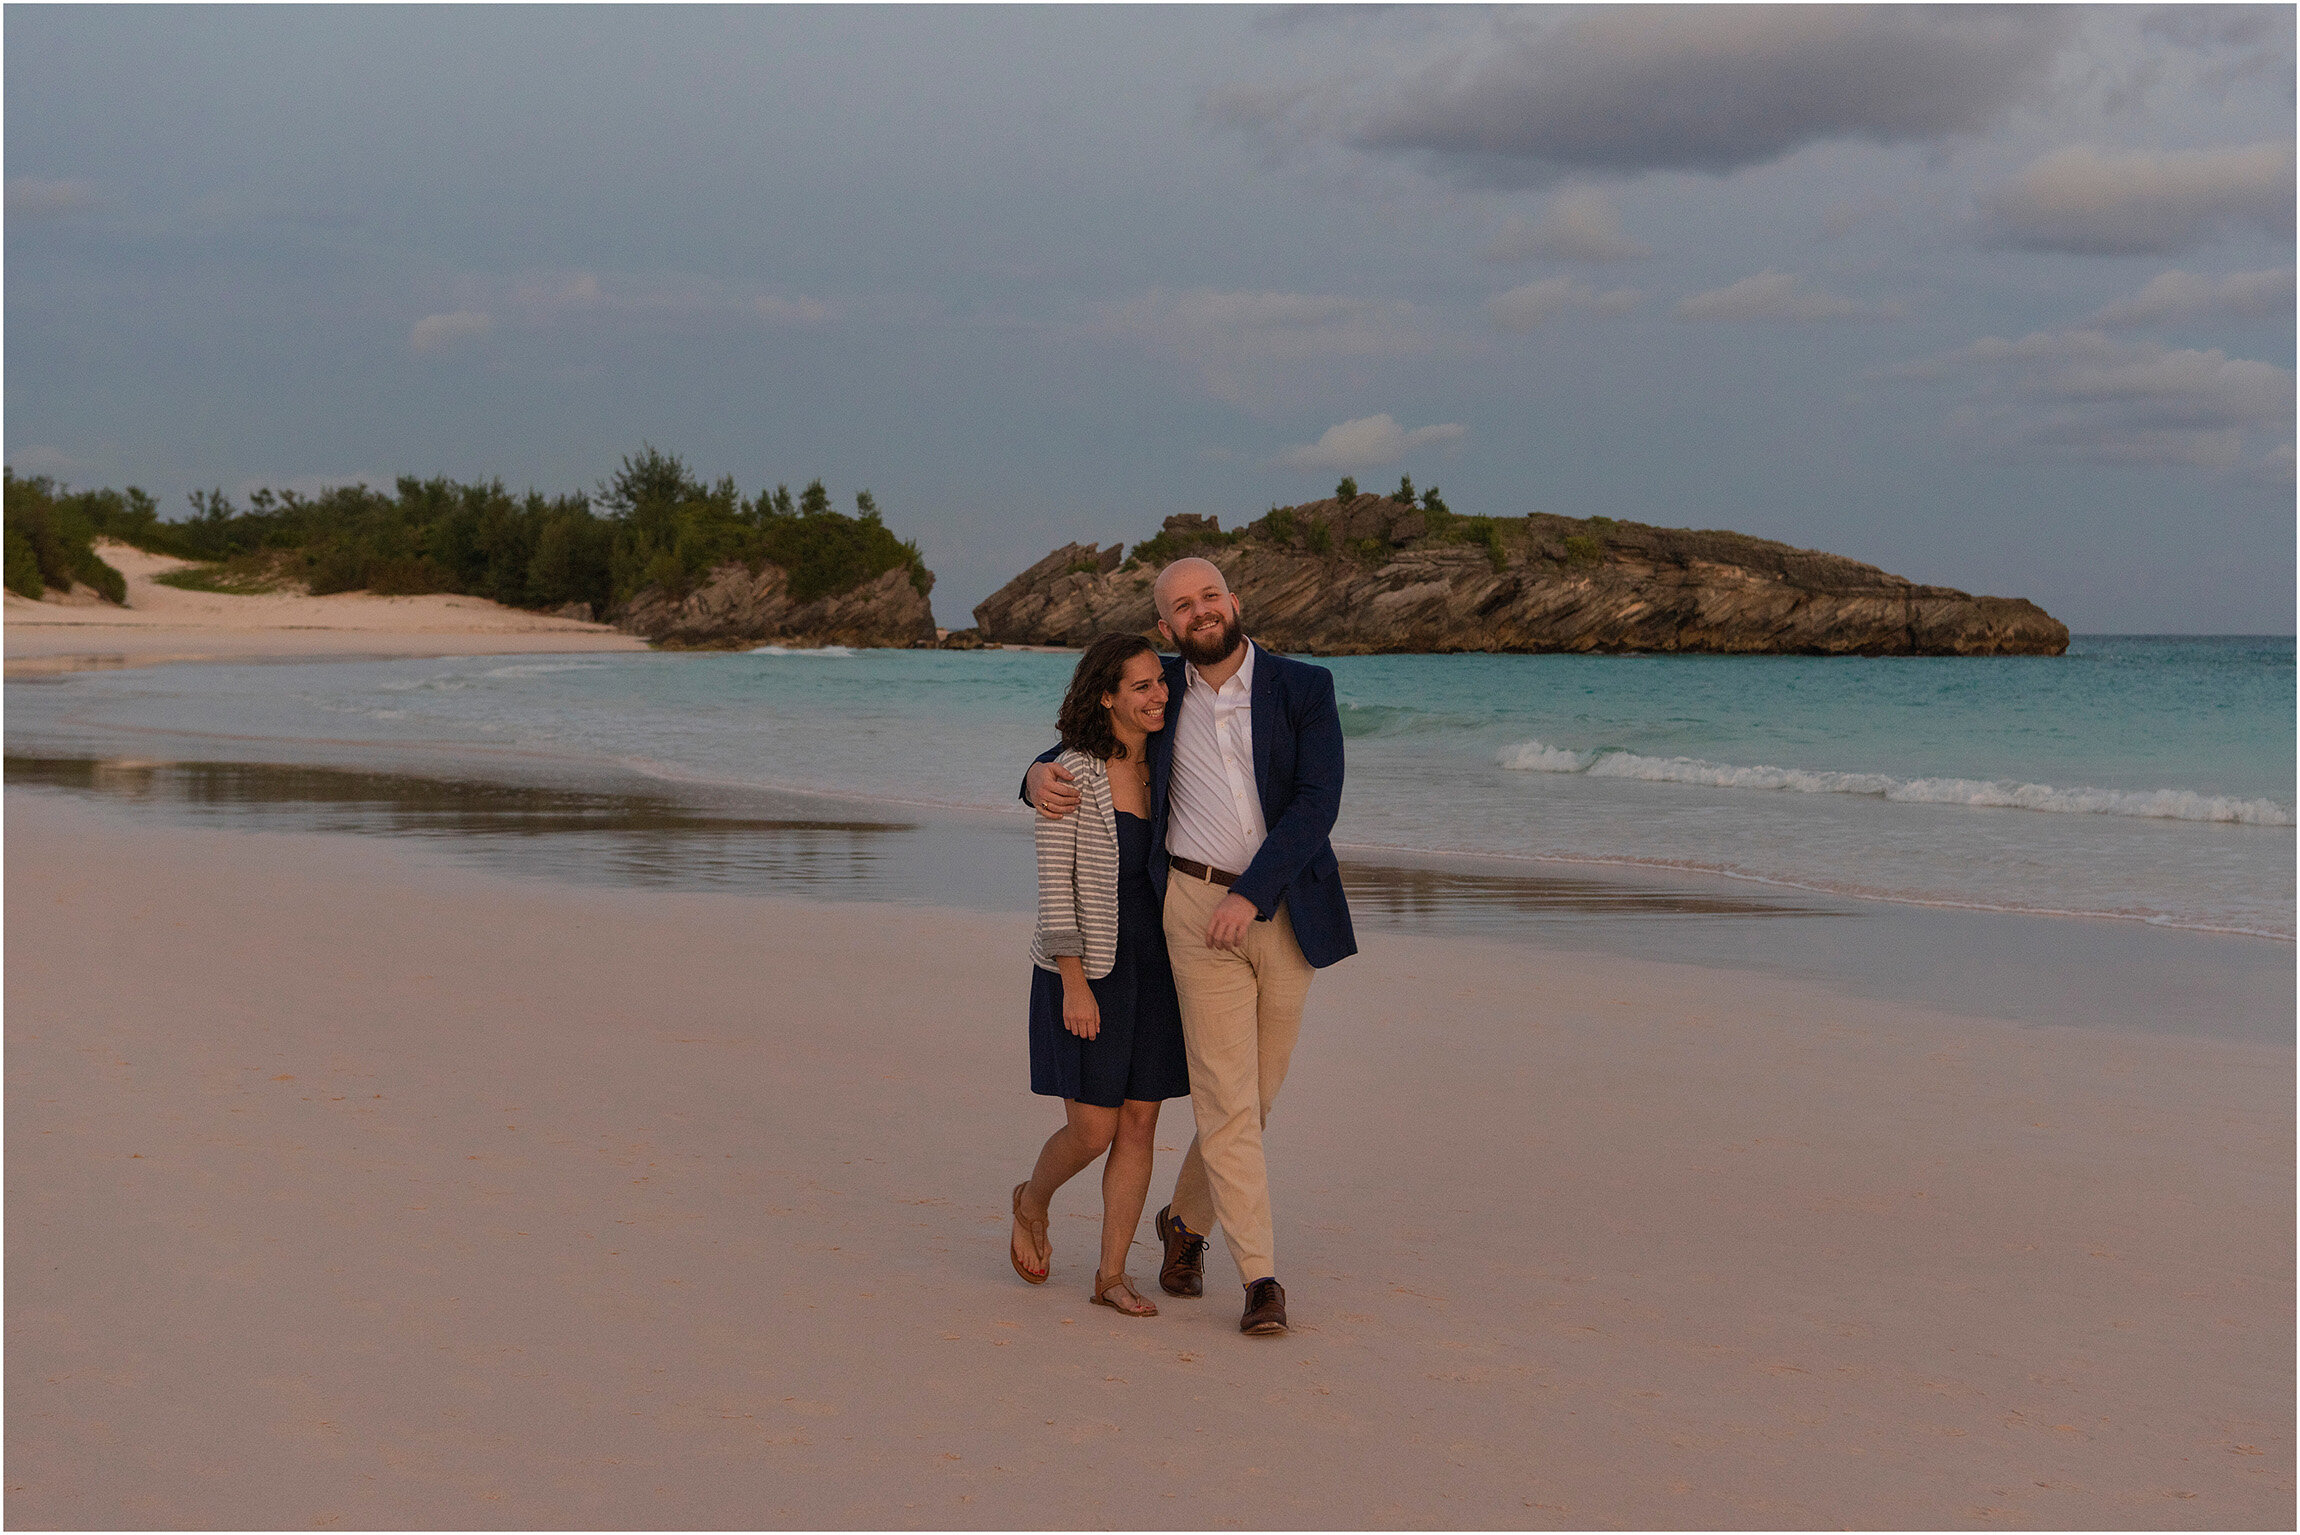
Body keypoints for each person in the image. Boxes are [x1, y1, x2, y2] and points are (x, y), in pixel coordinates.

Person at [1023, 556, 1355, 1337]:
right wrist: (1033, 776)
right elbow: (1082, 742)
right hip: (1192, 910)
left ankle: (1184, 1215)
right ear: (1167, 626)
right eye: (1182, 605)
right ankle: (1261, 1277)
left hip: (1280, 906)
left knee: (1256, 1098)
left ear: (1234, 601)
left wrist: (1254, 891)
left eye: (1210, 595)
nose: (1200, 611)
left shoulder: (1305, 688)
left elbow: (1316, 804)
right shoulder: (1159, 689)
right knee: (1225, 1099)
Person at [1009, 632, 1192, 1318]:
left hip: (1160, 968)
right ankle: (1031, 1199)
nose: (1158, 695)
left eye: (1160, 682)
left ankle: (1111, 1276)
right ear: (1107, 695)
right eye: (1140, 685)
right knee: (1092, 1128)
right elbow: (1054, 885)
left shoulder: (1171, 768)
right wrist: (1075, 981)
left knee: (1141, 1122)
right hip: (1089, 966)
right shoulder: (1069, 771)